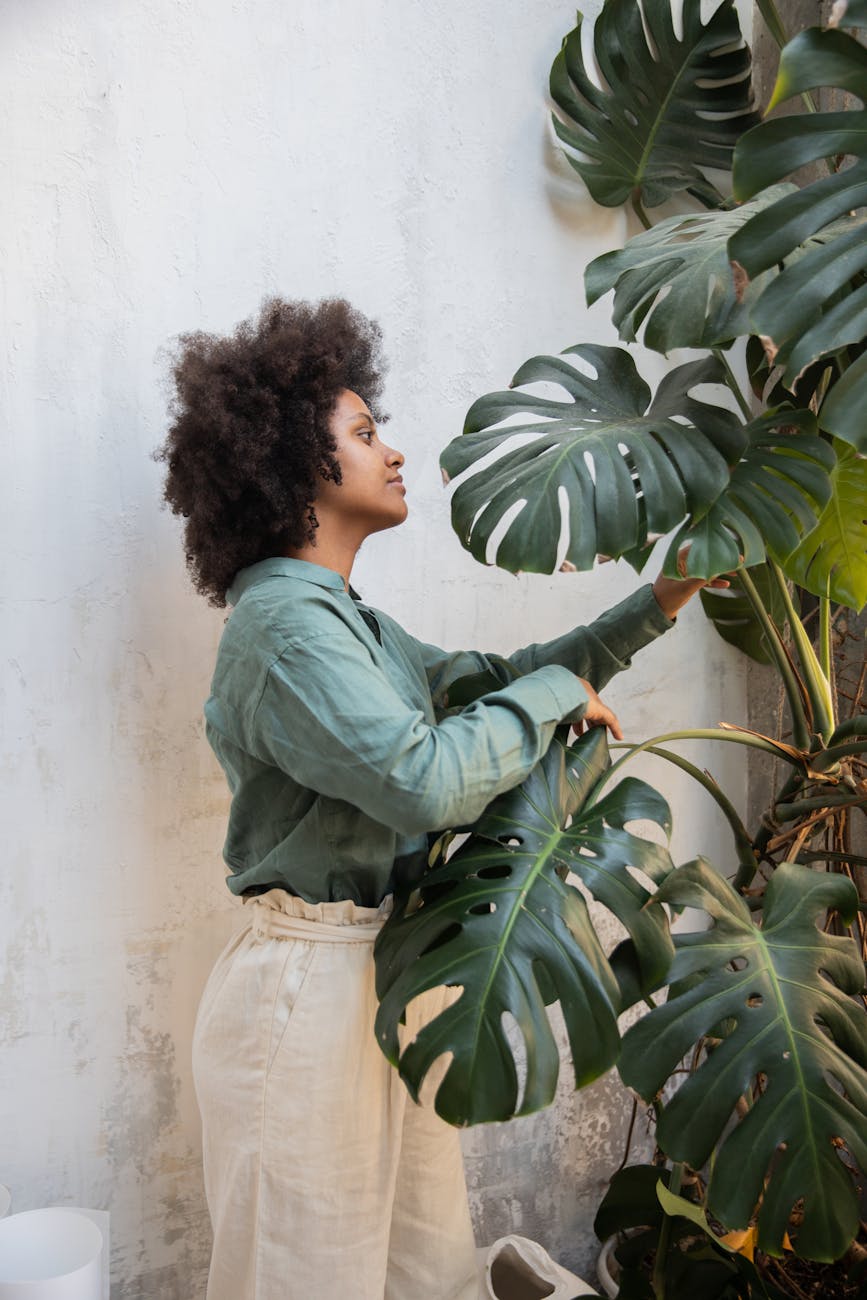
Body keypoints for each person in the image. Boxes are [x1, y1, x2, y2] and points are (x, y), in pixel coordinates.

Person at [158, 297, 723, 1300]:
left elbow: (496, 679)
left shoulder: (348, 623)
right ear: (292, 469)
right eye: (365, 434)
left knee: (424, 1270)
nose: (395, 452)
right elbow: (422, 780)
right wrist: (556, 697)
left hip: (379, 972)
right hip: (306, 995)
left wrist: (661, 598)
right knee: (306, 1278)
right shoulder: (283, 633)